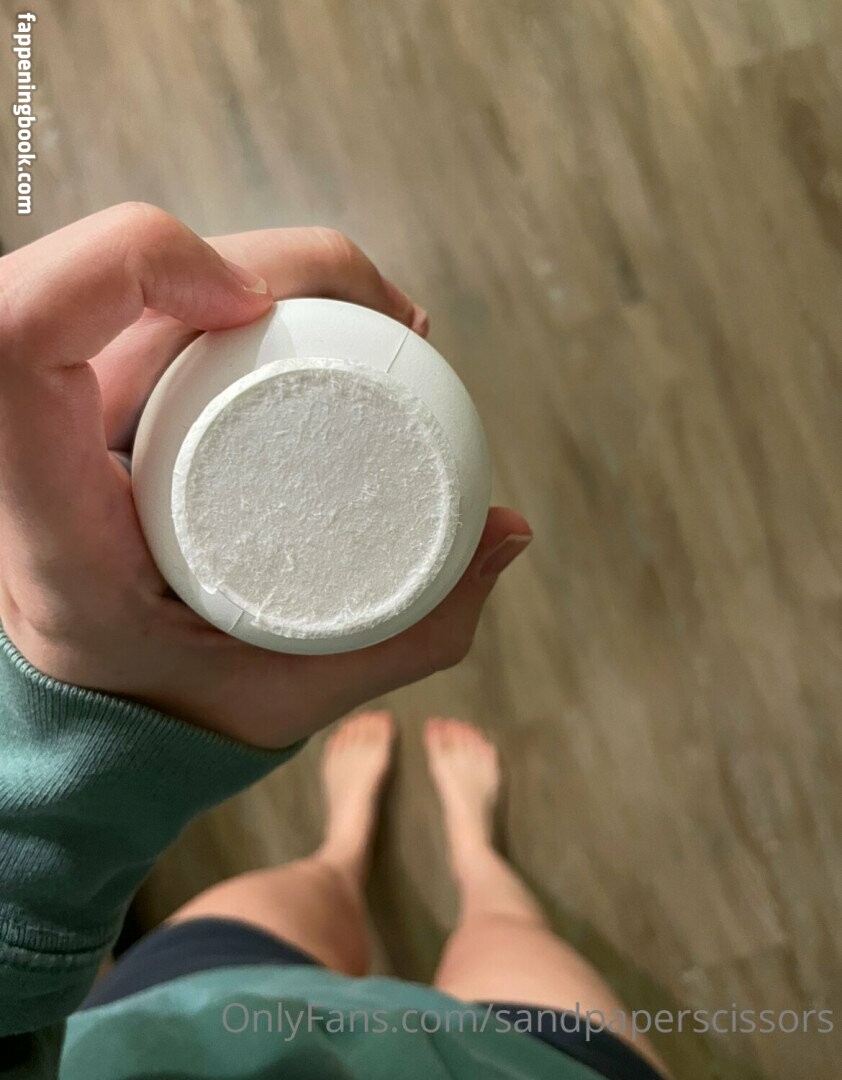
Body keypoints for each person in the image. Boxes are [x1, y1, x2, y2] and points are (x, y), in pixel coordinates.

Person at [0, 205, 668, 1079]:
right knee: (510, 938)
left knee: (293, 904)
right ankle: (472, 863)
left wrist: (75, 744)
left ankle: (349, 848)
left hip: (191, 1029)